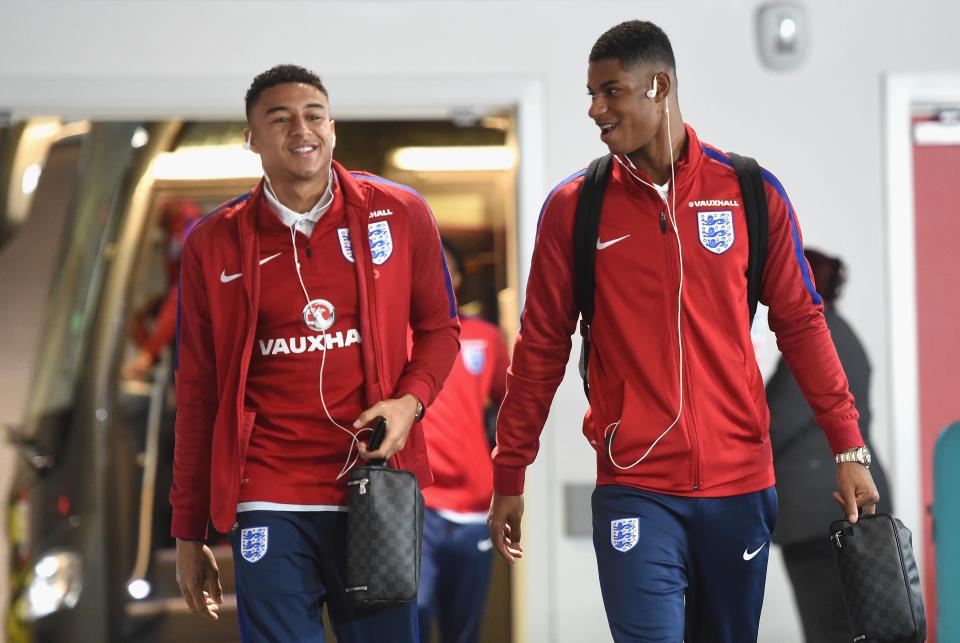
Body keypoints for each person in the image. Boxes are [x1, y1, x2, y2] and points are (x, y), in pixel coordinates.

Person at [486, 20, 880, 643]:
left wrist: (848, 448)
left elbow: (802, 326)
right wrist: (510, 471)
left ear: (659, 86)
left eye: (611, 91)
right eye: (590, 94)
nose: (595, 110)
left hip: (740, 487)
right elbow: (538, 348)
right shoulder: (574, 208)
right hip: (635, 487)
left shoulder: (751, 191)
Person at [170, 64, 459, 642]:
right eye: (279, 119)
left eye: (314, 115)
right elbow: (198, 392)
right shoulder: (212, 242)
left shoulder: (399, 213)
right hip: (267, 491)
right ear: (251, 138)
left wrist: (409, 404)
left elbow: (439, 329)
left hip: (374, 485)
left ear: (333, 127)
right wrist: (187, 529)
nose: (301, 129)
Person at [767, 248, 892, 643]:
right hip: (847, 503)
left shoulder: (817, 340)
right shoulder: (843, 331)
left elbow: (776, 422)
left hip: (819, 512)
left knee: (829, 627)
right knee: (856, 625)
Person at [417, 240, 509, 643]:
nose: (438, 278)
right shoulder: (399, 337)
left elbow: (509, 406)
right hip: (418, 503)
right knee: (414, 612)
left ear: (457, 278)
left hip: (474, 503)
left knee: (463, 627)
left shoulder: (487, 338)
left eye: (446, 269)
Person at [121, 198, 202, 379]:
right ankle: (151, 359)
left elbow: (185, 291)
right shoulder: (171, 226)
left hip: (194, 307)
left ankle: (148, 359)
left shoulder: (190, 223)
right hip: (179, 298)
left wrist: (148, 353)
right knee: (130, 315)